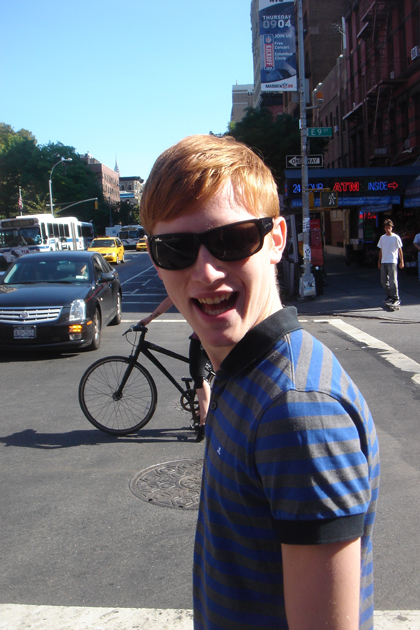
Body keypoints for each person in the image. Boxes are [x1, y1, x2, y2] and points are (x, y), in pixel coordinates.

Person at [140, 134, 380, 630]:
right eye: (176, 249)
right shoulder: (246, 373)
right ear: (155, 259)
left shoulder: (297, 411)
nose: (205, 271)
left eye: (232, 240)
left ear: (276, 240)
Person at [137, 296, 211, 442]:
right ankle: (202, 411)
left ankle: (204, 422)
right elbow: (171, 298)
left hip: (207, 335)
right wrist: (150, 318)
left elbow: (171, 299)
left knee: (198, 375)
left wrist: (150, 318)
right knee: (196, 372)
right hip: (200, 334)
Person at [377, 219, 404, 307]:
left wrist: (401, 261)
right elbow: (381, 250)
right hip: (384, 261)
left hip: (392, 261)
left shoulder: (396, 237)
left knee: (393, 280)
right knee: (384, 281)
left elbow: (400, 250)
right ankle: (390, 295)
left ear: (392, 228)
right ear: (384, 228)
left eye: (389, 228)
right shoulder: (382, 238)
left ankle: (396, 298)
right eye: (386, 228)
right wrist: (379, 261)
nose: (388, 230)